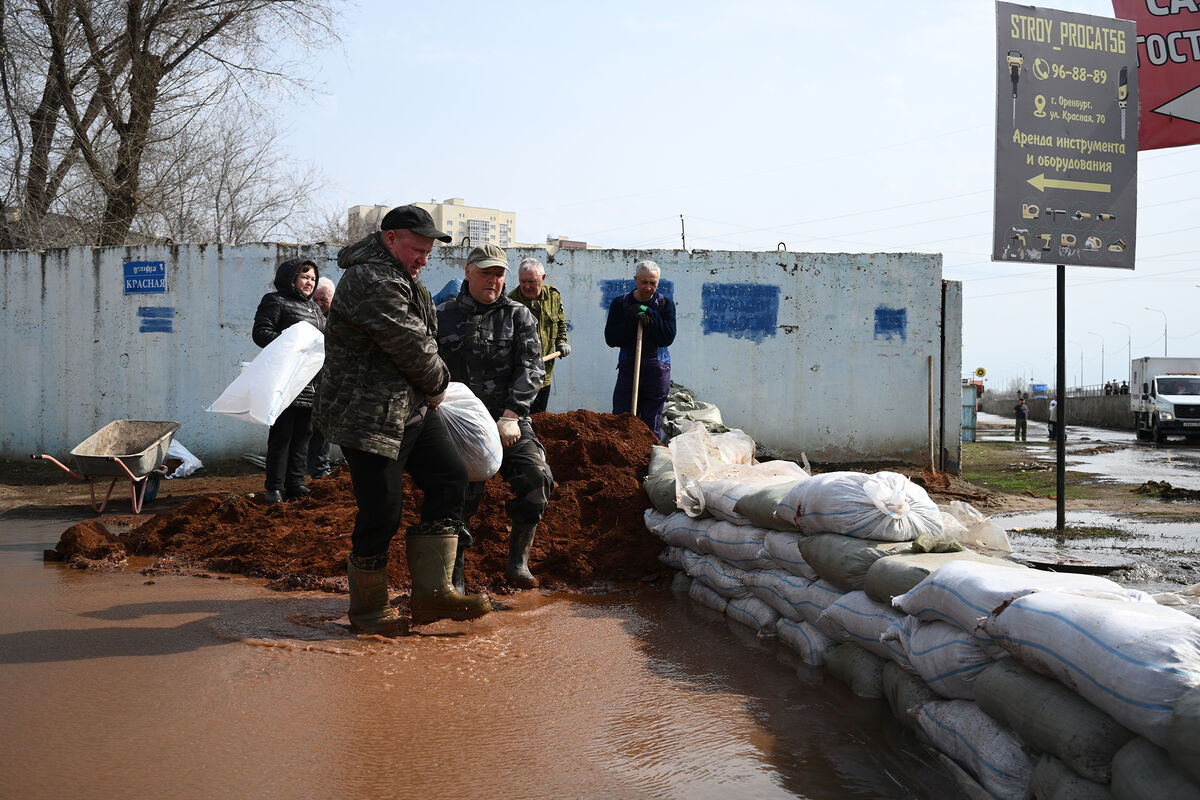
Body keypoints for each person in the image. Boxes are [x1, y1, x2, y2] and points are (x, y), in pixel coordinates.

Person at [314, 205, 490, 633]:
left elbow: (424, 341)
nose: (423, 259)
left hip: (409, 408)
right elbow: (413, 346)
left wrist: (432, 389)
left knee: (450, 477)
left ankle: (432, 595)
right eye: (417, 249)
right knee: (382, 510)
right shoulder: (371, 280)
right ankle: (369, 609)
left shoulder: (402, 278)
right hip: (368, 415)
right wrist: (440, 386)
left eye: (428, 252)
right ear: (390, 238)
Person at [437, 243, 553, 590]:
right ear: (468, 271)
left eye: (499, 274)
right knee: (454, 500)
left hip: (509, 421)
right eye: (486, 272)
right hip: (458, 426)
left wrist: (512, 413)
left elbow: (531, 369)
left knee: (536, 478)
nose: (493, 280)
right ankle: (454, 581)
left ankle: (518, 562)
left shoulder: (519, 316)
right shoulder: (442, 316)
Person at [252, 257, 324, 503]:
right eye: (305, 276)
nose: (309, 282)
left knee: (304, 433)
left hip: (310, 381)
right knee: (282, 434)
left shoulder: (315, 309)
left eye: (313, 279)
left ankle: (296, 483)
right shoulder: (275, 300)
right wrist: (291, 345)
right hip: (284, 380)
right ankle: (274, 487)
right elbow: (261, 333)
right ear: (291, 277)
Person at [604, 260, 677, 439]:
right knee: (622, 417)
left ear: (658, 282)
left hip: (657, 369)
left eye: (653, 283)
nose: (648, 287)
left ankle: (647, 458)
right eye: (644, 282)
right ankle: (622, 455)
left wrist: (651, 316)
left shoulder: (664, 305)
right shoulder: (620, 304)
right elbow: (611, 339)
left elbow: (667, 337)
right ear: (636, 280)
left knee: (651, 420)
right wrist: (631, 320)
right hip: (629, 366)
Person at [507, 257, 569, 414]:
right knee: (519, 419)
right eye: (523, 281)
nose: (527, 286)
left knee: (540, 419)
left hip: (545, 373)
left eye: (532, 281)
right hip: (520, 377)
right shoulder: (511, 302)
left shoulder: (553, 296)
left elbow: (560, 322)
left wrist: (561, 342)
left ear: (543, 278)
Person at [307, 276, 336, 480]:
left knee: (323, 429)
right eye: (315, 300)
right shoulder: (306, 318)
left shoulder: (341, 318)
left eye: (323, 300)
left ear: (333, 298)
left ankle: (320, 472)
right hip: (307, 383)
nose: (318, 304)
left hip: (331, 382)